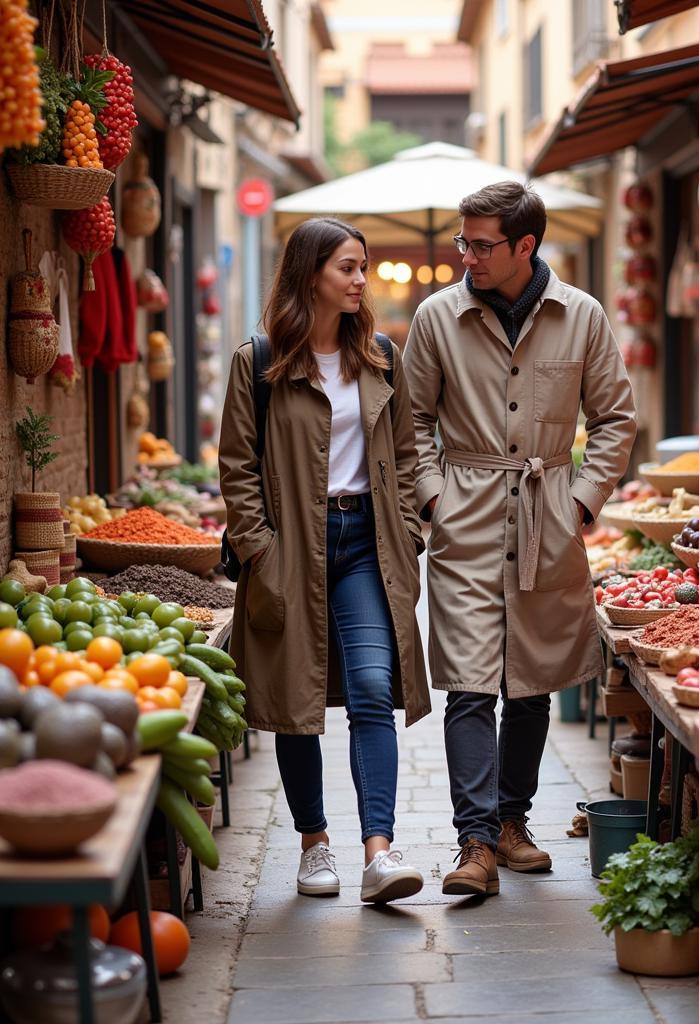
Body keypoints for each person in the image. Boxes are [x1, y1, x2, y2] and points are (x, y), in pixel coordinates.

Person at [403, 181, 636, 897]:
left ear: (524, 246)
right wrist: (437, 497)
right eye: (462, 243)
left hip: (548, 511)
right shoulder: (437, 317)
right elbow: (410, 423)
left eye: (480, 244)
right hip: (466, 516)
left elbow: (616, 419)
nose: (466, 256)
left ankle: (512, 824)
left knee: (530, 681)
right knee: (471, 686)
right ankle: (474, 843)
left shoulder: (583, 316)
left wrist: (581, 504)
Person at [220, 218, 430, 904]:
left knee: (373, 688)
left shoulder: (379, 356)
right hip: (290, 549)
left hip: (365, 544)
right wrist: (263, 551)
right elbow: (237, 469)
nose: (361, 280)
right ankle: (314, 846)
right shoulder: (259, 361)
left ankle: (379, 852)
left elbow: (404, 455)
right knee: (296, 701)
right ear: (311, 272)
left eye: (363, 268)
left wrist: (408, 533)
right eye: (348, 267)